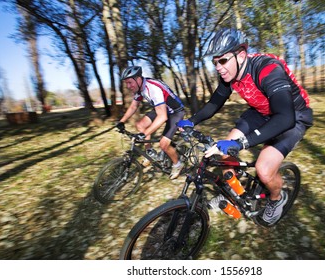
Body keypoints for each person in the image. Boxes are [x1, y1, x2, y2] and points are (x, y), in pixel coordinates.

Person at [177, 28, 313, 225]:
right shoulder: (229, 75)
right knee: (224, 154)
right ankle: (235, 194)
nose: (218, 67)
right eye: (215, 62)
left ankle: (277, 199)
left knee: (264, 170)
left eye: (222, 61)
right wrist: (192, 121)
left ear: (241, 55)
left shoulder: (267, 68)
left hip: (293, 114)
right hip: (261, 111)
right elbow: (215, 103)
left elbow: (285, 118)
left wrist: (242, 143)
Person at [117, 66, 185, 180]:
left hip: (175, 112)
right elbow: (134, 106)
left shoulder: (152, 88)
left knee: (163, 144)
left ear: (138, 79)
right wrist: (121, 121)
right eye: (126, 83)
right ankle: (149, 153)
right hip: (163, 109)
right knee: (140, 125)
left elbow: (162, 116)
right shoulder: (139, 88)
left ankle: (178, 164)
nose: (128, 86)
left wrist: (145, 134)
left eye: (129, 82)